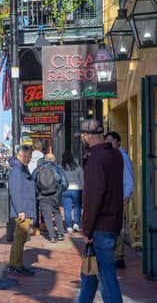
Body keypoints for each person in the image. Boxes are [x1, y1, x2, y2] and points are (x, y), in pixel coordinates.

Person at [78, 120, 123, 303]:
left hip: (100, 226)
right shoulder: (115, 155)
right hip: (112, 222)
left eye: (83, 135)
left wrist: (87, 230)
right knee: (90, 273)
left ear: (87, 136)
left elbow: (93, 197)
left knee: (106, 276)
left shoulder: (95, 159)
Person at [104, 131, 135, 269]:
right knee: (112, 226)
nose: (108, 143)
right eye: (106, 141)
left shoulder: (122, 156)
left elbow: (128, 177)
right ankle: (115, 255)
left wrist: (126, 195)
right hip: (112, 197)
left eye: (110, 141)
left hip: (119, 197)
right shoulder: (112, 156)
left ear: (117, 142)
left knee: (116, 227)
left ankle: (119, 256)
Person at [7, 145, 36, 277]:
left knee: (21, 238)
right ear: (20, 156)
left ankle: (16, 264)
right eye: (27, 156)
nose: (28, 159)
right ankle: (15, 265)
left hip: (26, 207)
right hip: (22, 209)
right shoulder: (17, 170)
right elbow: (15, 192)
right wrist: (21, 210)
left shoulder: (22, 168)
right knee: (20, 238)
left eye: (30, 157)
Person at [32, 153, 68, 243]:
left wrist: (38, 193)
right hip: (55, 195)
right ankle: (60, 234)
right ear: (54, 160)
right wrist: (58, 193)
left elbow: (32, 183)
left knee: (47, 216)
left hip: (42, 196)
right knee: (57, 213)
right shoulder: (58, 168)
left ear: (45, 159)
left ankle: (52, 236)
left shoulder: (38, 169)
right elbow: (65, 184)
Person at [61, 150, 83, 233]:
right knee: (77, 207)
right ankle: (76, 224)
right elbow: (82, 178)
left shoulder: (61, 167)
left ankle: (69, 226)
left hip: (65, 189)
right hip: (77, 189)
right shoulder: (77, 166)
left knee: (67, 208)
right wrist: (83, 188)